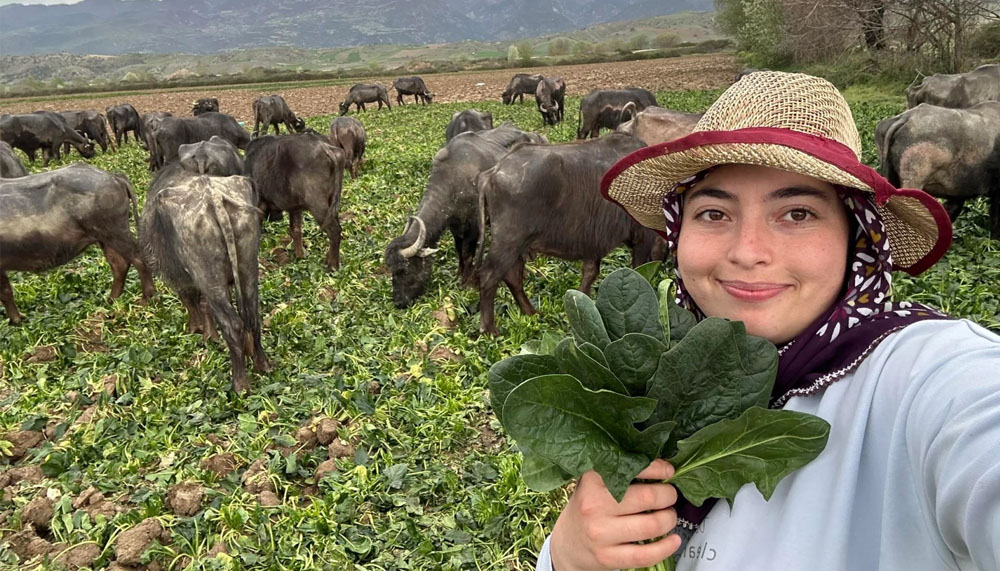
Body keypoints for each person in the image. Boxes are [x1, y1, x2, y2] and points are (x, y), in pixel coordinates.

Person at [535, 71, 1000, 570]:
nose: (748, 252)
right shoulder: (672, 374)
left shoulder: (931, 379)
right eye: (714, 213)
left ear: (856, 238)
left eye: (797, 213)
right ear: (678, 230)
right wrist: (565, 558)